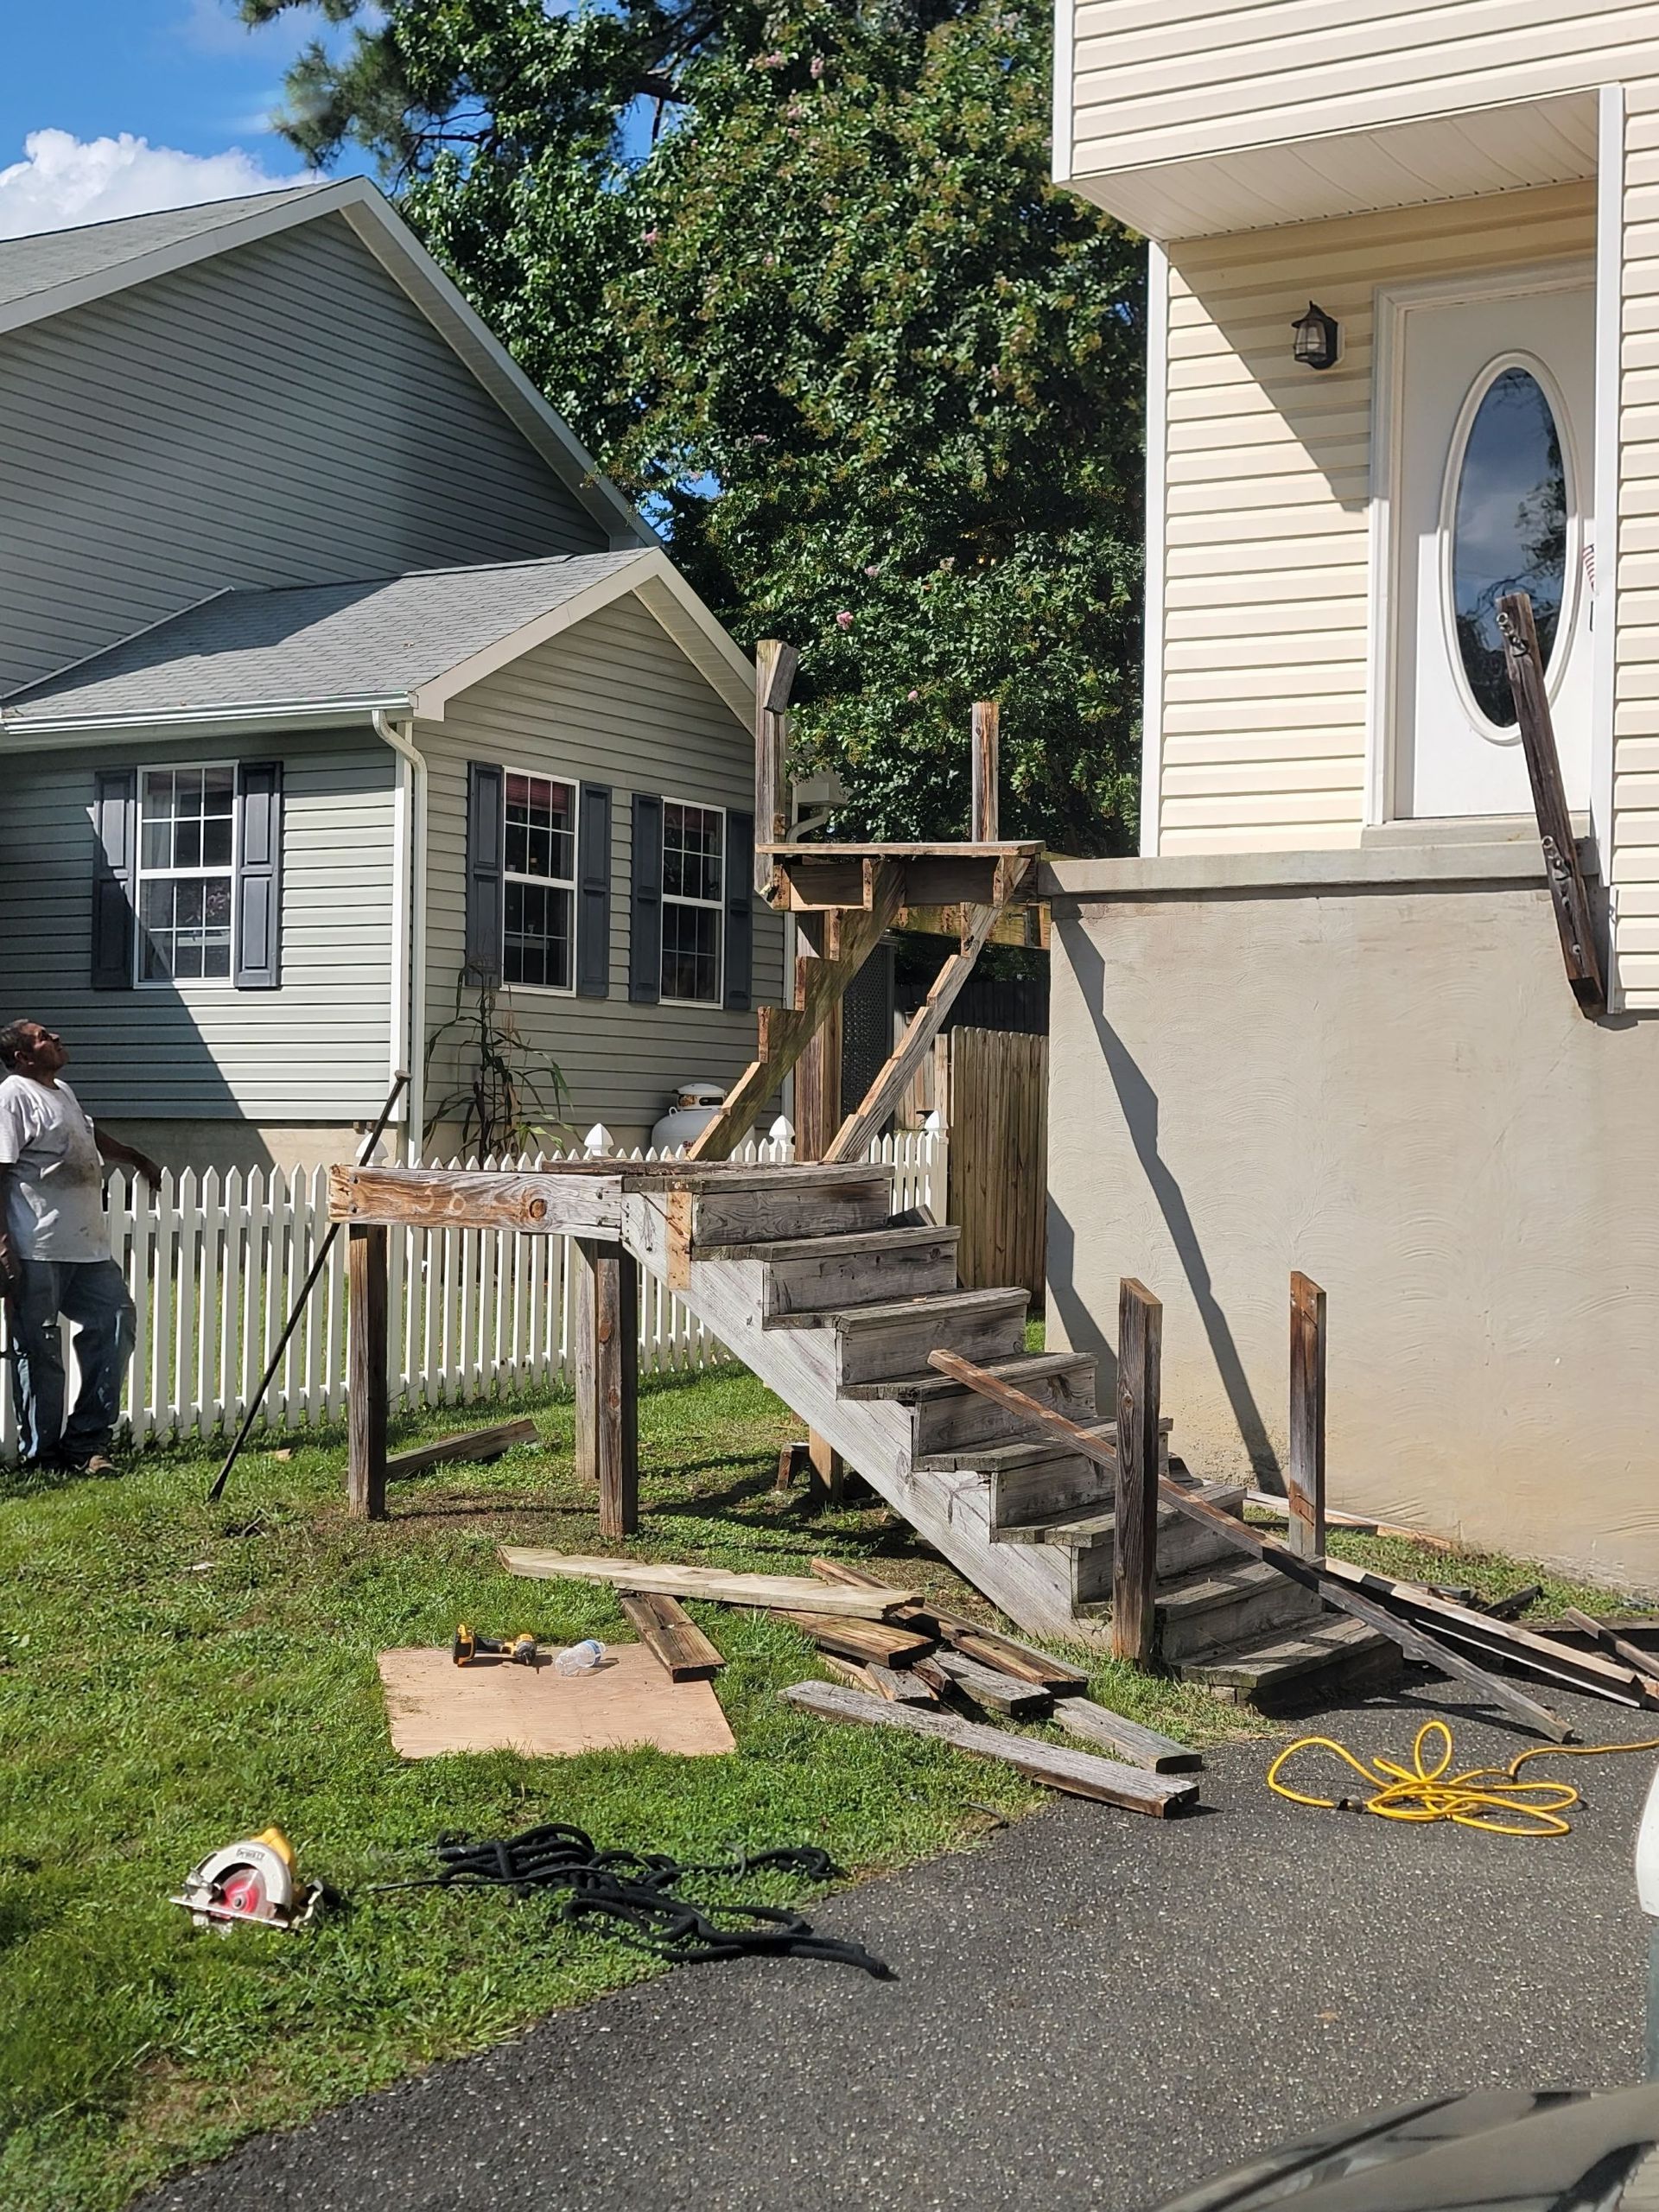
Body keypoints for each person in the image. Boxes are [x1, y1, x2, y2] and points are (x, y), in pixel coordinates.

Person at [0, 1020, 162, 1474]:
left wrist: (136, 1157)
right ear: (23, 1057)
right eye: (41, 1038)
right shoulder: (12, 1096)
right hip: (37, 1247)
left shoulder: (63, 1091)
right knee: (40, 1351)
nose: (54, 1039)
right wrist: (2, 1246)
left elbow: (88, 1137)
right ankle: (43, 1455)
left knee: (115, 1326)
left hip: (87, 1248)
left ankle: (87, 1443)